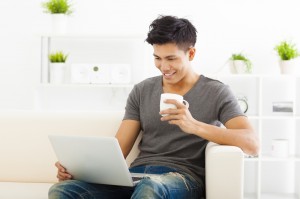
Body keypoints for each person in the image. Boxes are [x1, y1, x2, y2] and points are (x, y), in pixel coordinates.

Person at [49, 15, 259, 199]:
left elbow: (252, 144)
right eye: (157, 58)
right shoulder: (142, 90)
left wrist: (194, 125)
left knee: (151, 189)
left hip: (181, 178)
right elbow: (119, 149)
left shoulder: (216, 92)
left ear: (191, 54)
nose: (164, 67)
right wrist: (78, 169)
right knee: (63, 190)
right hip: (135, 176)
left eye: (171, 59)